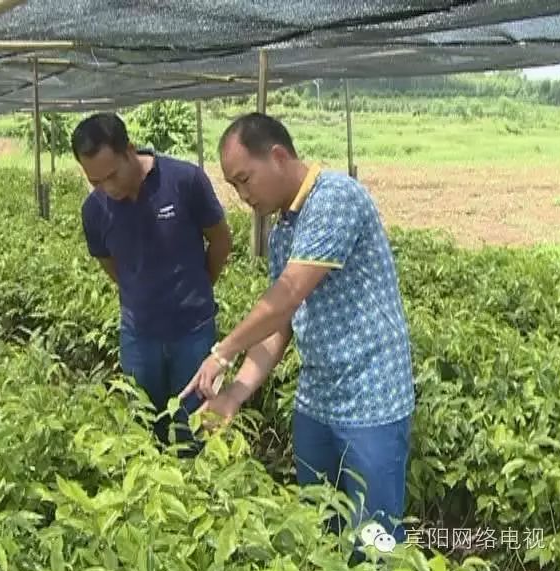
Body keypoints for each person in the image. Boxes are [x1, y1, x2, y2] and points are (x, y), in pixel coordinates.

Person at [180, 112, 415, 543]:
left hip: (372, 401)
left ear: (278, 156)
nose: (241, 195)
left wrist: (222, 351)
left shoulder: (335, 198)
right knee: (316, 531)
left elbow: (287, 293)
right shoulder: (283, 228)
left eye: (244, 179)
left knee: (374, 541)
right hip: (316, 401)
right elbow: (280, 325)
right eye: (233, 186)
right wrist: (234, 392)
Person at [72, 112, 232, 454]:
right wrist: (138, 294)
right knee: (141, 427)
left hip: (193, 332)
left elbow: (220, 240)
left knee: (195, 428)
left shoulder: (184, 180)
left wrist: (200, 286)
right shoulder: (94, 210)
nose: (107, 188)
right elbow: (110, 265)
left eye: (112, 175)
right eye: (96, 181)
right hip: (138, 336)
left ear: (130, 150)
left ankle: (192, 495)